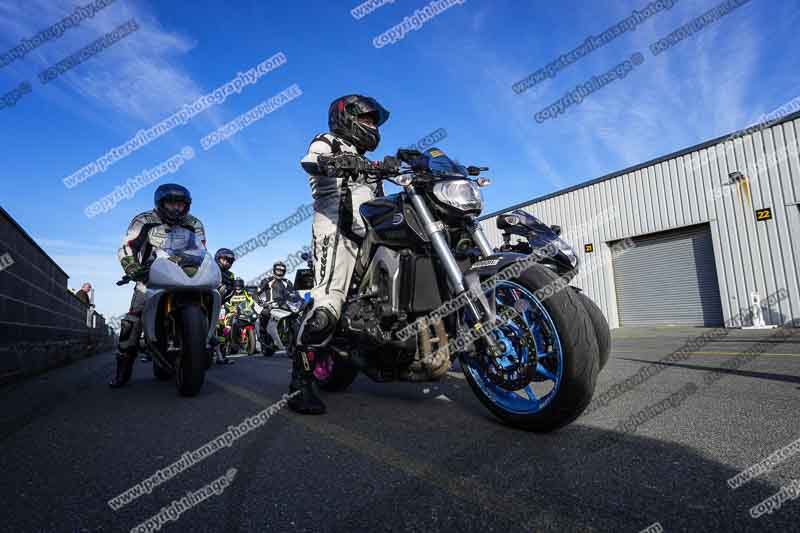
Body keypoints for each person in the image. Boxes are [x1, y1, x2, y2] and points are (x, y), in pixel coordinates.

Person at [290, 94, 389, 414]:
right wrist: (328, 162)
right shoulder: (328, 141)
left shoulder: (368, 159)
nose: (371, 126)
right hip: (336, 231)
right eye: (367, 119)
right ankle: (299, 382)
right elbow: (309, 159)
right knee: (326, 309)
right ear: (346, 117)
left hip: (370, 233)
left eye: (374, 121)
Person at [110, 183, 206, 388]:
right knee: (132, 319)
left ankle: (202, 348)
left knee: (205, 300)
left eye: (180, 204)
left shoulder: (194, 223)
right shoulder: (144, 220)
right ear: (161, 203)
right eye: (171, 203)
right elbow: (127, 246)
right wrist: (132, 268)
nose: (176, 208)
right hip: (150, 277)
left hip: (184, 274)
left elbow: (202, 250)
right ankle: (123, 369)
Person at [257, 261, 295, 346]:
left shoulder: (288, 282)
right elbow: (256, 293)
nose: (280, 272)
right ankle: (263, 335)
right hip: (271, 306)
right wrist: (262, 303)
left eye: (282, 271)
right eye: (278, 270)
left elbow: (294, 294)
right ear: (274, 270)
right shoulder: (267, 281)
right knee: (264, 313)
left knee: (296, 315)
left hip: (284, 306)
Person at [212, 248, 237, 364]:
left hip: (220, 304)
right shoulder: (209, 268)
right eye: (225, 259)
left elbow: (232, 290)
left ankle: (221, 356)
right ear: (218, 258)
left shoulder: (230, 275)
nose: (227, 262)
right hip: (203, 301)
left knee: (223, 329)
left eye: (230, 261)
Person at [223, 278, 256, 353]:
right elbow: (225, 301)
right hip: (232, 313)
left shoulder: (245, 292)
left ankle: (252, 344)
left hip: (244, 312)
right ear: (234, 286)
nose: (238, 288)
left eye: (239, 287)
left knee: (254, 321)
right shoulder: (231, 293)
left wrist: (249, 306)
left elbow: (251, 300)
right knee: (228, 326)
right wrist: (230, 307)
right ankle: (226, 343)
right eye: (236, 286)